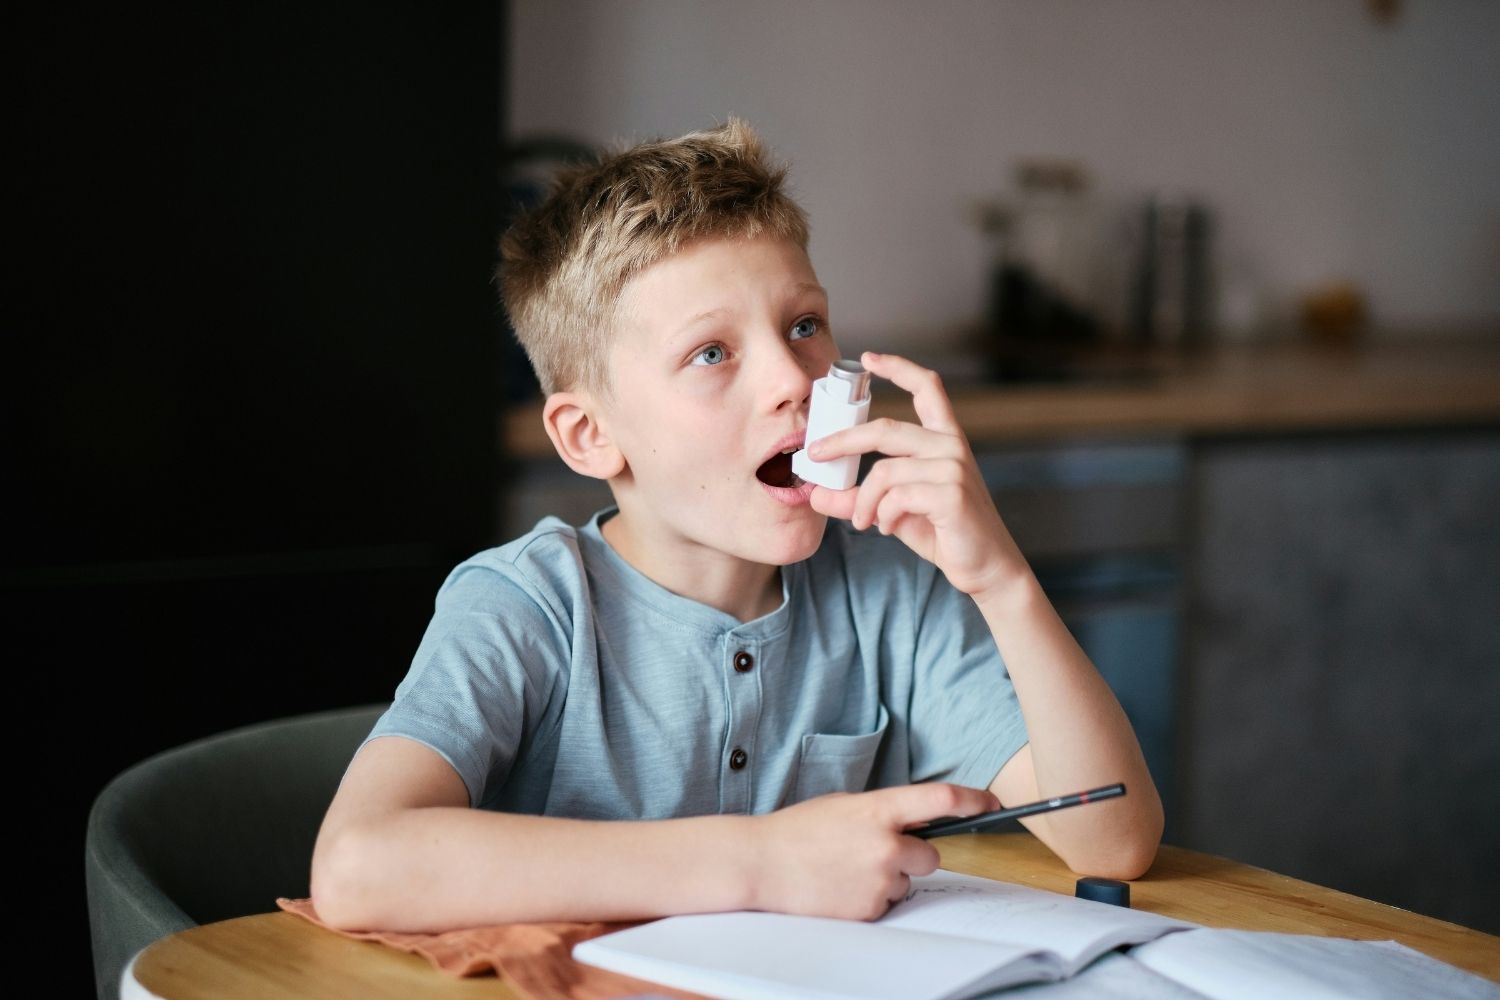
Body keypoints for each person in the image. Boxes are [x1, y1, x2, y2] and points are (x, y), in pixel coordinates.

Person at [311, 119, 1162, 933]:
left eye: (804, 326)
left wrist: (1001, 580)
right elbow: (357, 865)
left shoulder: (887, 590)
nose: (795, 377)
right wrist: (761, 860)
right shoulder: (528, 608)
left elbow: (1114, 840)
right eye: (711, 353)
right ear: (590, 435)